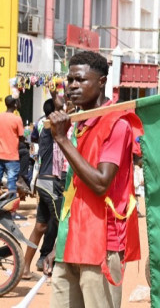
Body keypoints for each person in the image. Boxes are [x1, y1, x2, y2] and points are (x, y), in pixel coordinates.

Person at [43, 51, 143, 308]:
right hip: (72, 241)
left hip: (102, 244)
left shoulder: (116, 123)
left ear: (101, 82)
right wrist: (58, 244)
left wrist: (62, 140)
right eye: (70, 80)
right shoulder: (79, 123)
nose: (73, 86)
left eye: (81, 80)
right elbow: (74, 193)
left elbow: (100, 184)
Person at [23, 98, 61, 280]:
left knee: (40, 226)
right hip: (51, 181)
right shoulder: (50, 126)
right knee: (64, 225)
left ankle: (24, 267)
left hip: (42, 181)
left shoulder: (43, 125)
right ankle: (52, 265)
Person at [0, 96, 24, 195]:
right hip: (12, 156)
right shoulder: (17, 119)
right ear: (15, 104)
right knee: (11, 183)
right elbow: (21, 136)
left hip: (0, 154)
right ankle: (11, 208)